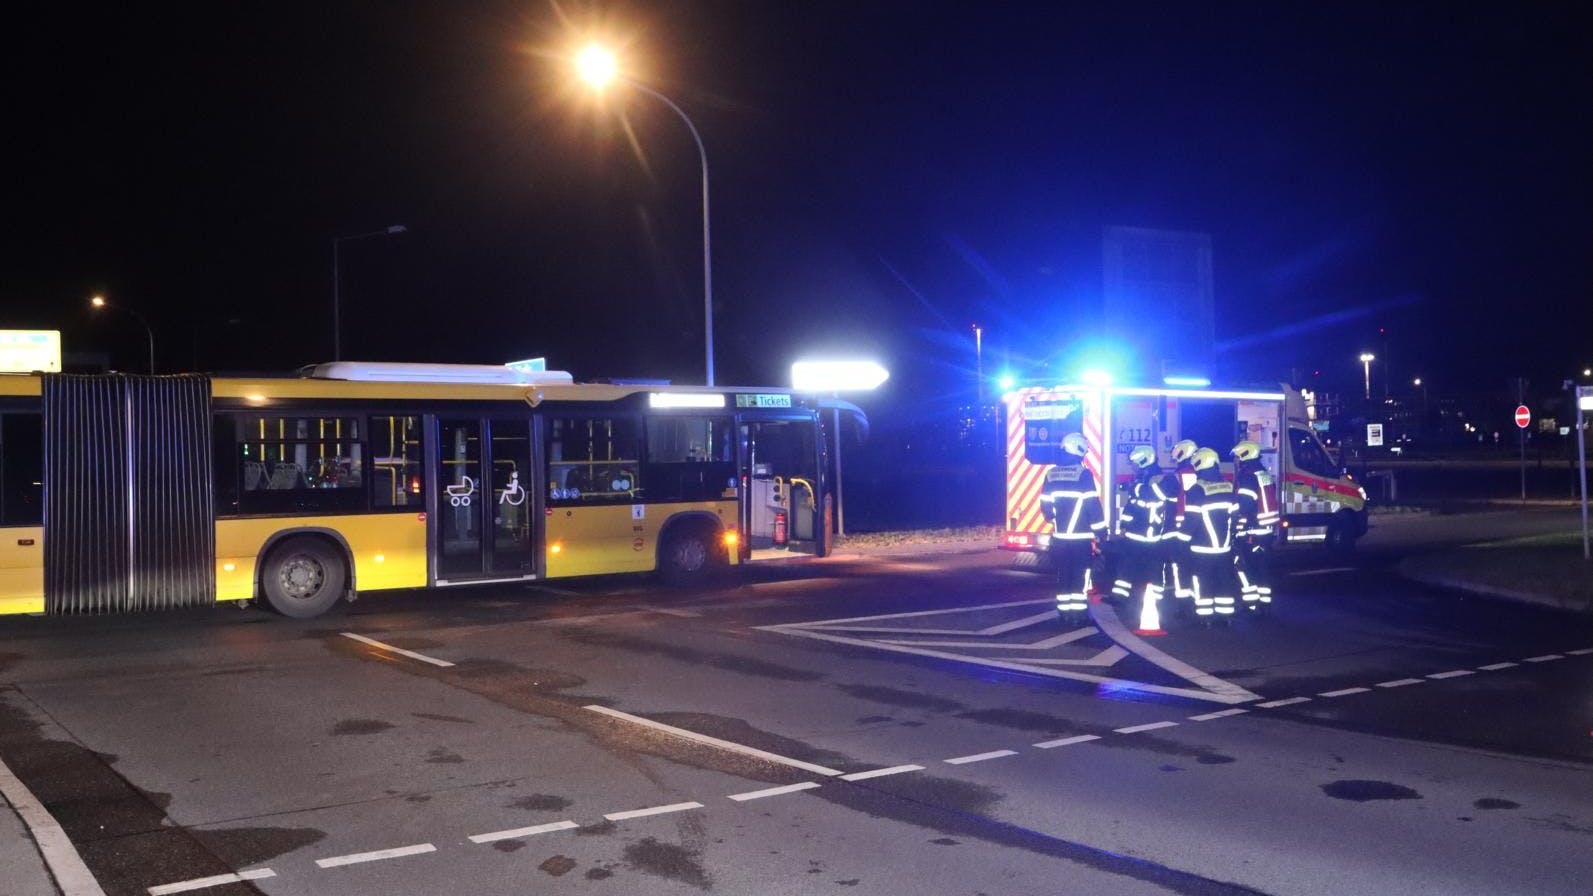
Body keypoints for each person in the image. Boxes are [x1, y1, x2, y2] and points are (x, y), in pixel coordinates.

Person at [1041, 432, 1106, 620]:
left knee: (1064, 575)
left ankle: (1064, 612)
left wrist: (1053, 519)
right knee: (1080, 576)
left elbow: (1045, 505)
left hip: (1060, 539)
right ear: (1078, 450)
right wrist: (1101, 532)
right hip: (1080, 538)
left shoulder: (1051, 474)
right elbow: (1092, 506)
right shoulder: (1084, 475)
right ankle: (1077, 615)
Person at [1113, 445, 1174, 630]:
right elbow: (1131, 506)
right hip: (1135, 535)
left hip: (1153, 536)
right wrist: (1123, 525)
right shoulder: (1141, 479)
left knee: (1154, 571)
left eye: (1135, 464)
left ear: (1143, 461)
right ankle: (1120, 598)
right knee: (1127, 568)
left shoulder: (1165, 479)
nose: (1133, 468)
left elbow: (1154, 495)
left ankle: (1157, 602)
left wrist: (1137, 488)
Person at [1180, 447, 1241, 622]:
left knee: (1203, 582)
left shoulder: (1196, 490)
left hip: (1202, 547)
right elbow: (1235, 516)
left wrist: (1180, 542)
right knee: (1224, 581)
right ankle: (1225, 616)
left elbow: (1191, 521)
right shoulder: (1228, 487)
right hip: (1224, 547)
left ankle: (1205, 618)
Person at [1231, 440, 1278, 612]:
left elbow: (1244, 504)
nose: (1236, 460)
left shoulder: (1247, 475)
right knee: (1262, 567)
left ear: (1245, 455)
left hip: (1252, 528)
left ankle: (1251, 604)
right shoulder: (1262, 472)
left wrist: (1231, 514)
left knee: (1245, 567)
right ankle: (1264, 603)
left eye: (1238, 456)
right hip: (1266, 528)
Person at [1164, 439, 1200, 606]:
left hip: (1182, 527)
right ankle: (1195, 599)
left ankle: (1184, 603)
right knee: (1195, 565)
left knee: (1181, 565)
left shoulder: (1182, 474)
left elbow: (1176, 499)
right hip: (1198, 526)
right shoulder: (1196, 472)